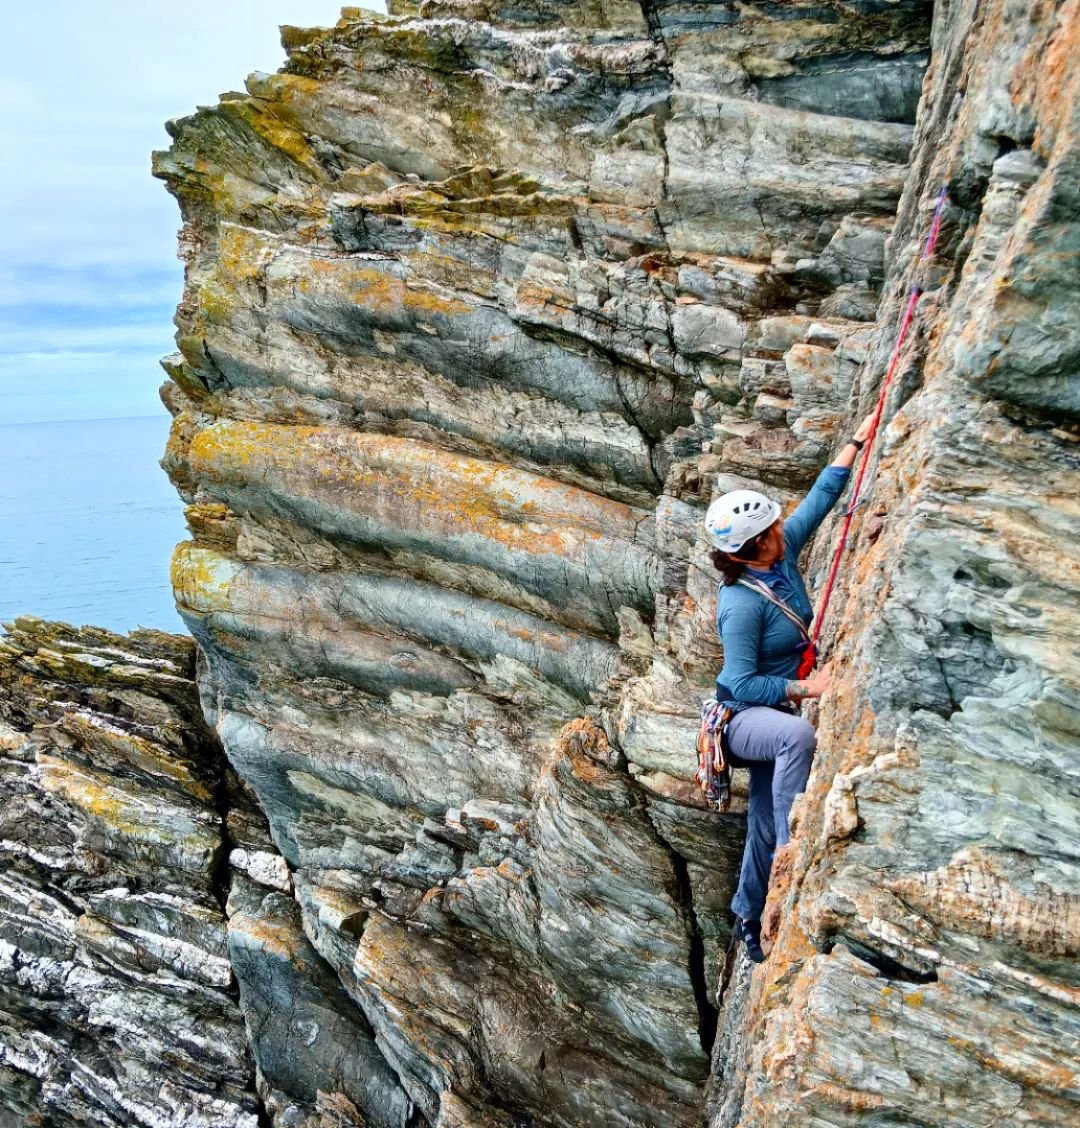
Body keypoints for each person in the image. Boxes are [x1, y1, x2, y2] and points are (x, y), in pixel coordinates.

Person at [703, 414, 875, 962]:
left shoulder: (780, 558)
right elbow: (740, 682)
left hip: (766, 710)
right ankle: (788, 853)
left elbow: (817, 505)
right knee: (795, 740)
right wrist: (806, 688)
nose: (784, 529)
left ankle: (747, 916)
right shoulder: (740, 603)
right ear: (753, 547)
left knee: (759, 819)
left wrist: (855, 441)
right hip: (739, 718)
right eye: (773, 529)